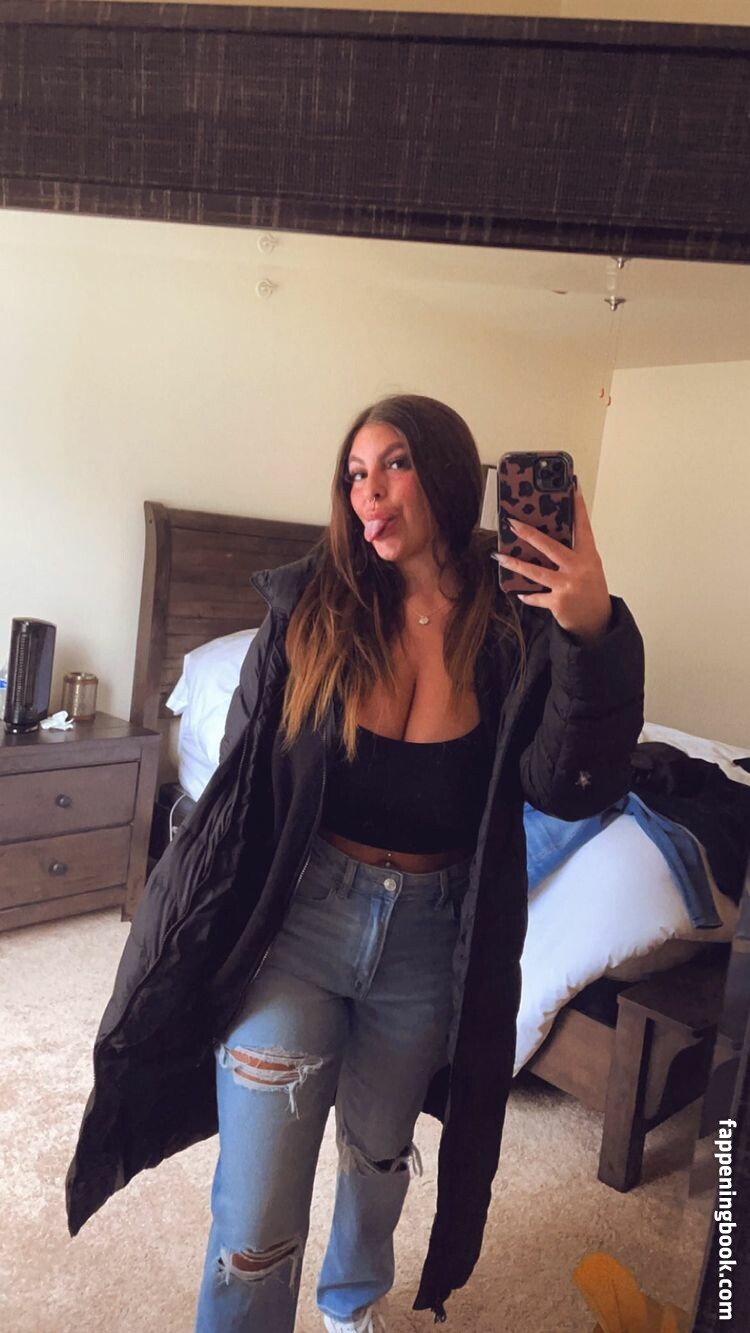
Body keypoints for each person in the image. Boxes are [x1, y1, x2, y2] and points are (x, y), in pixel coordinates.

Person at [65, 395, 645, 1331]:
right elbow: (242, 792)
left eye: (395, 464)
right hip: (302, 923)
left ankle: (350, 1302)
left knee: (379, 1155)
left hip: (429, 935)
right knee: (255, 1216)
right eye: (354, 474)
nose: (368, 493)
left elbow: (568, 787)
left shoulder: (514, 623)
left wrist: (590, 633)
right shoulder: (309, 608)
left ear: (447, 471)